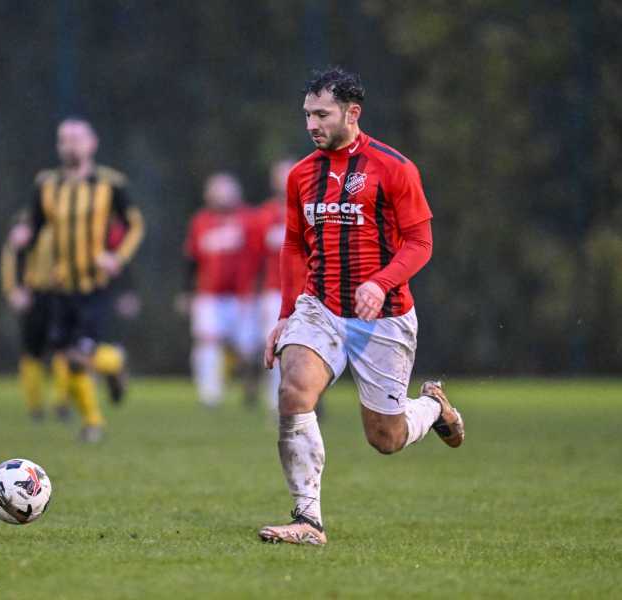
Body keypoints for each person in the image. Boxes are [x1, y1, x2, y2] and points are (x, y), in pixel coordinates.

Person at [259, 69, 465, 546]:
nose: (312, 124)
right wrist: (287, 313)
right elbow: (293, 246)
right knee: (293, 393)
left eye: (322, 114)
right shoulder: (300, 175)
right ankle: (308, 522)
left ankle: (432, 409)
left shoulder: (394, 168)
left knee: (385, 439)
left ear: (353, 113)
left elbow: (421, 242)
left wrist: (381, 281)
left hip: (385, 316)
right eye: (308, 114)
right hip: (321, 307)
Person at [14, 118, 145, 442]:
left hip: (95, 285)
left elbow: (135, 225)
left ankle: (94, 422)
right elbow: (32, 228)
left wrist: (117, 257)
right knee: (67, 358)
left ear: (92, 143)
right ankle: (112, 367)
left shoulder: (109, 183)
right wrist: (23, 242)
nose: (70, 145)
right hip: (61, 287)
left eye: (76, 138)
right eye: (64, 139)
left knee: (76, 355)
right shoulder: (46, 185)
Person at [183, 173, 261, 408]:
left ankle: (250, 382)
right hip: (208, 294)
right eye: (216, 191)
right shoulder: (201, 221)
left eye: (225, 190)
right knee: (207, 342)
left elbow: (260, 257)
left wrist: (258, 287)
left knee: (248, 348)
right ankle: (210, 394)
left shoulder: (249, 219)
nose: (220, 196)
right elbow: (191, 259)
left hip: (242, 295)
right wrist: (186, 291)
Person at [1, 215, 71, 422]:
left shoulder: (59, 223)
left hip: (58, 295)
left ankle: (59, 403)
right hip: (35, 296)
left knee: (62, 350)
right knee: (33, 353)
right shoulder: (27, 222)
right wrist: (13, 290)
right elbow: (10, 257)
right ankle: (37, 408)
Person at [255, 159, 296, 420]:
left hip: (309, 292)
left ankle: (308, 397)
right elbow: (253, 258)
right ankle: (278, 402)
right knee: (278, 348)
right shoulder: (265, 216)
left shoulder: (313, 209)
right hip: (274, 292)